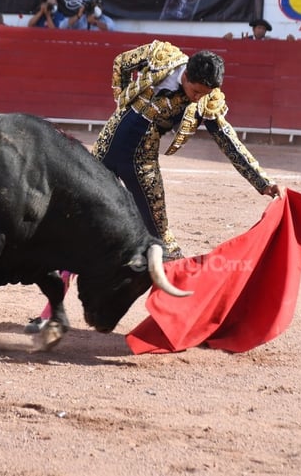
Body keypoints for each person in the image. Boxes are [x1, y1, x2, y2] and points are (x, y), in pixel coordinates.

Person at [24, 41, 281, 333]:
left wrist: (261, 181)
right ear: (186, 75)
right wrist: (122, 100)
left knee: (163, 241)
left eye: (204, 94)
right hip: (104, 152)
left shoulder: (207, 100)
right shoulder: (162, 57)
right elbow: (122, 61)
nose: (197, 99)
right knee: (75, 229)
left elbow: (227, 138)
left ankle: (184, 320)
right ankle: (50, 315)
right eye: (195, 91)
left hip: (142, 164)